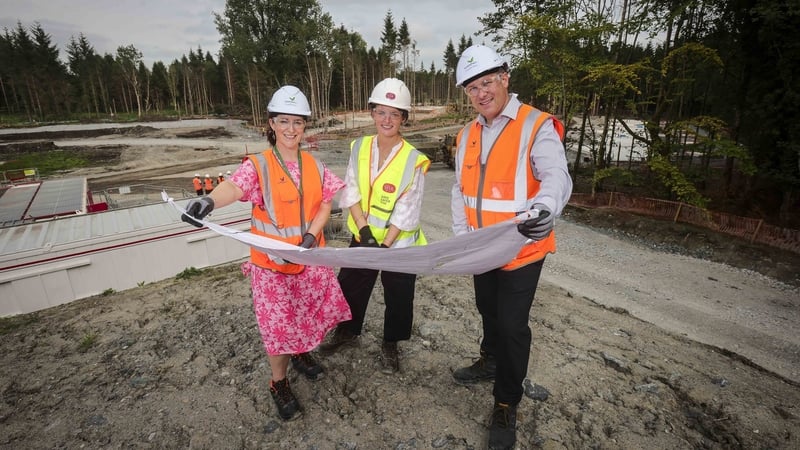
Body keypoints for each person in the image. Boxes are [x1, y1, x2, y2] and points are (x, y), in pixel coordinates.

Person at [180, 85, 351, 422]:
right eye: (283, 121)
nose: (291, 129)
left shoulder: (315, 165)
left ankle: (301, 353)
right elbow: (234, 187)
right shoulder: (258, 165)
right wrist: (209, 201)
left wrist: (310, 236)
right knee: (279, 328)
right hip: (272, 266)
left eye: (298, 122)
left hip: (308, 258)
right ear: (271, 124)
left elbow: (325, 203)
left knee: (304, 316)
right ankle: (279, 382)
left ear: (305, 126)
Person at [450, 45, 573, 449]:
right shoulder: (467, 133)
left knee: (511, 325)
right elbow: (459, 190)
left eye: (486, 82)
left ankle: (506, 401)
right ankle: (490, 359)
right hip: (482, 247)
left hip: (521, 249)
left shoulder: (535, 125)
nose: (480, 93)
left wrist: (544, 207)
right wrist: (460, 237)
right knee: (487, 309)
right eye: (472, 87)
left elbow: (556, 175)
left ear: (505, 77)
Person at [319, 78, 430, 375]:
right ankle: (347, 332)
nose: (387, 119)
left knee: (399, 296)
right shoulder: (359, 146)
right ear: (372, 113)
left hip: (399, 244)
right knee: (352, 285)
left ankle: (391, 343)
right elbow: (351, 190)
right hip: (364, 236)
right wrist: (365, 232)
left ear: (404, 118)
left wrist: (384, 245)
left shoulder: (414, 160)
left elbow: (408, 209)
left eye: (395, 114)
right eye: (381, 112)